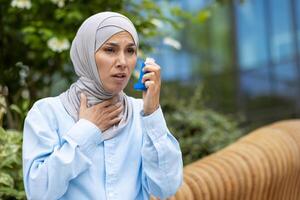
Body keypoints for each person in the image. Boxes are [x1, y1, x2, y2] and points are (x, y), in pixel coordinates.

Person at [22, 11, 183, 200]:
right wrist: (87, 131)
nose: (122, 62)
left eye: (130, 51)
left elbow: (166, 187)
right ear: (86, 54)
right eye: (110, 50)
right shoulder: (47, 113)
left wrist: (152, 113)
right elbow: (38, 192)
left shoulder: (142, 113)